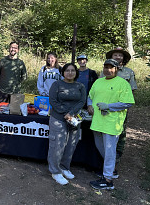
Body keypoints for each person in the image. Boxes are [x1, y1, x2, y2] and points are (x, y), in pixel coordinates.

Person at [88, 59, 135, 190]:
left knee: (109, 151)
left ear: (116, 69)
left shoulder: (122, 83)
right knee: (101, 148)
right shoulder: (98, 82)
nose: (108, 70)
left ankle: (107, 180)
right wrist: (89, 104)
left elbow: (128, 103)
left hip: (112, 123)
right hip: (97, 121)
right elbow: (90, 95)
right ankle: (112, 170)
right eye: (105, 67)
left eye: (111, 67)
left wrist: (109, 106)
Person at [48, 63, 86, 185]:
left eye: (72, 70)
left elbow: (82, 101)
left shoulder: (80, 86)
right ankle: (55, 172)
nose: (70, 73)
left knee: (71, 144)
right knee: (57, 145)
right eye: (67, 70)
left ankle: (65, 167)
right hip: (58, 118)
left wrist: (71, 113)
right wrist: (65, 113)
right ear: (63, 72)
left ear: (76, 72)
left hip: (74, 119)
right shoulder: (57, 84)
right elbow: (53, 101)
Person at [100, 47, 137, 161]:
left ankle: (117, 154)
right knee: (104, 129)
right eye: (115, 55)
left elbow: (132, 90)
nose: (118, 57)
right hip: (105, 105)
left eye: (120, 55)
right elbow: (100, 86)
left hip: (120, 107)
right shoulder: (104, 71)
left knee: (121, 129)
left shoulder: (129, 72)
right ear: (111, 57)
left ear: (123, 58)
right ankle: (104, 154)